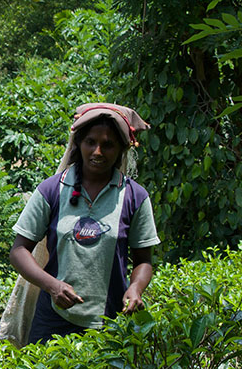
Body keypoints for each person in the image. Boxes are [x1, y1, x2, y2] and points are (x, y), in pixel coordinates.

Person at [9, 103, 160, 345]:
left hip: (110, 322)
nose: (98, 151)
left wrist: (135, 289)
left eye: (108, 144)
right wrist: (53, 286)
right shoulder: (52, 190)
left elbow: (143, 260)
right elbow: (18, 251)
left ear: (122, 149)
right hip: (52, 321)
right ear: (79, 144)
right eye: (91, 142)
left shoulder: (134, 197)